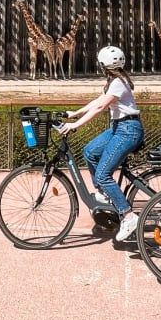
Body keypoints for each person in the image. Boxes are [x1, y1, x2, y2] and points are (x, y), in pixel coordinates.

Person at [58, 45, 144, 242]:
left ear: (103, 66)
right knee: (90, 151)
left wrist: (75, 125)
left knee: (104, 174)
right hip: (119, 128)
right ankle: (105, 194)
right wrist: (75, 113)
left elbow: (100, 107)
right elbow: (98, 100)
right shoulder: (116, 80)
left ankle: (128, 216)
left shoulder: (118, 83)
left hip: (128, 130)